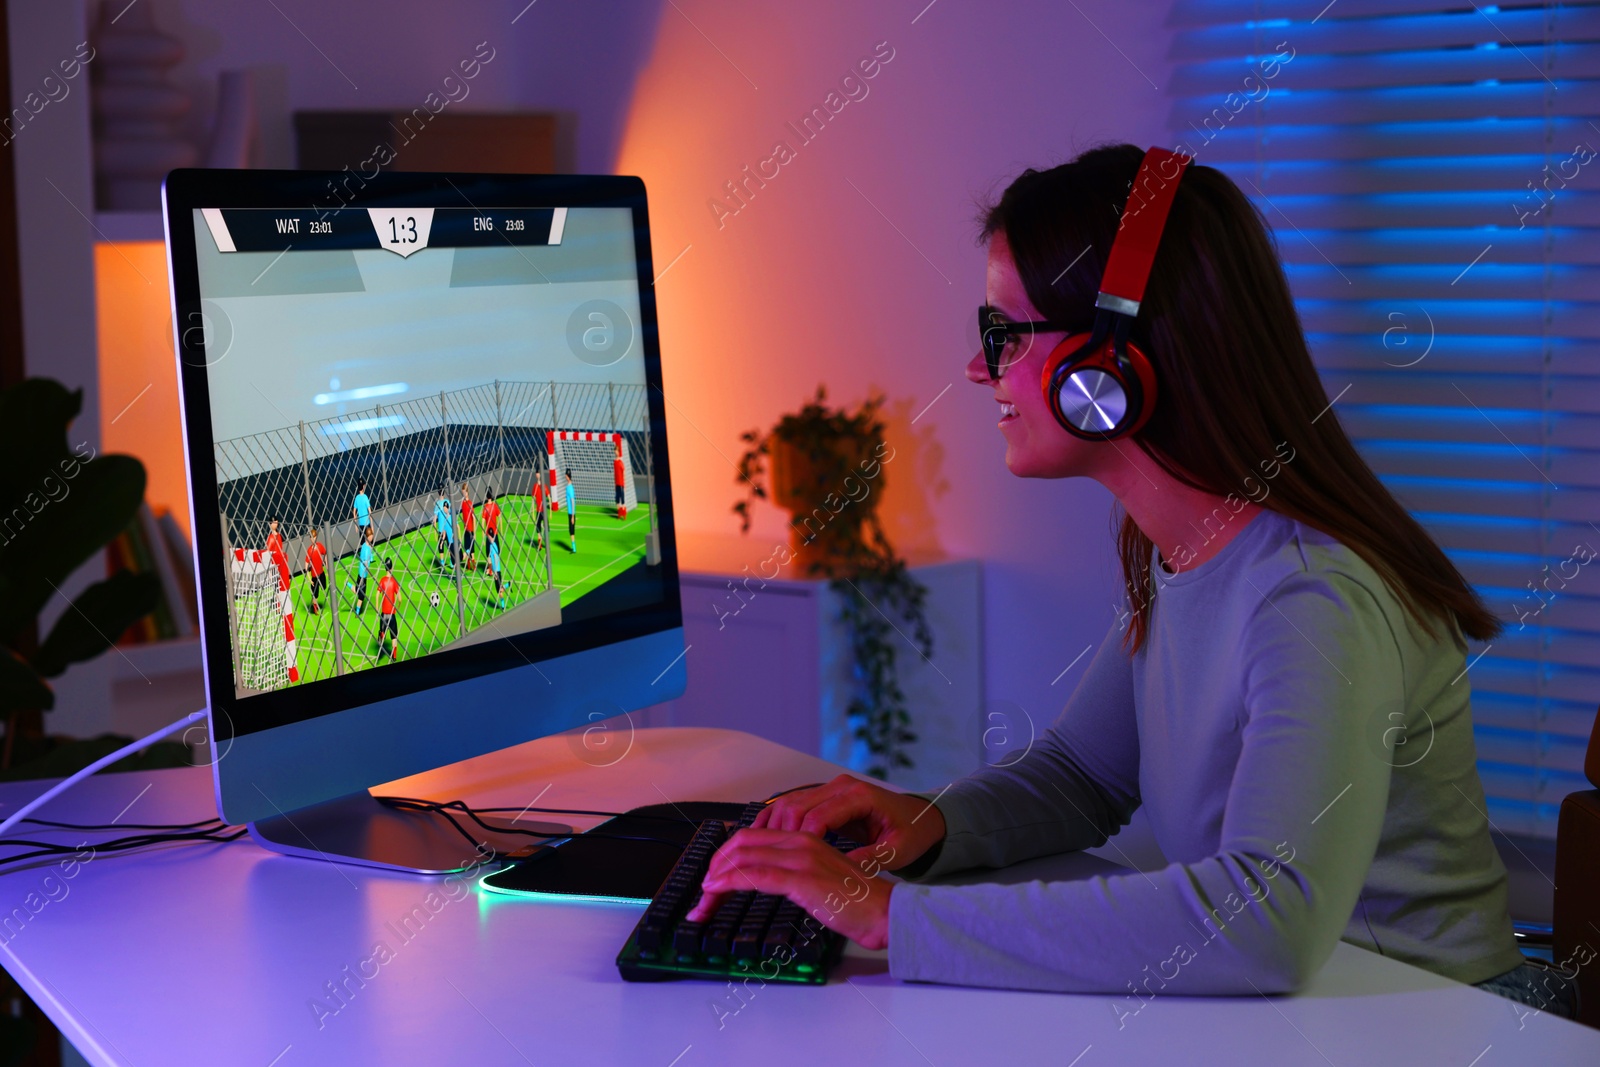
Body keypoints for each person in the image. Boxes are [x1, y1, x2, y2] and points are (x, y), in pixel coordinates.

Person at [686, 144, 1575, 1018]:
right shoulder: (1182, 546)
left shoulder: (1314, 597)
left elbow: (1266, 917)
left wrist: (894, 917)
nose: (975, 368)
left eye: (1002, 334)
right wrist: (925, 823)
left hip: (1437, 1026)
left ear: (1107, 367)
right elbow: (1083, 774)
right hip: (1310, 1014)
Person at [376, 557, 400, 662]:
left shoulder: (382, 580)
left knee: (383, 629)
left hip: (384, 614)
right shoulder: (394, 581)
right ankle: (394, 656)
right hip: (392, 614)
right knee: (394, 637)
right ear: (392, 568)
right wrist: (398, 607)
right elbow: (400, 599)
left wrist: (377, 608)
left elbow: (377, 595)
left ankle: (382, 633)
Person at [349, 525, 375, 616]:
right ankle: (357, 612)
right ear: (368, 537)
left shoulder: (364, 545)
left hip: (361, 573)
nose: (372, 537)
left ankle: (347, 584)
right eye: (371, 536)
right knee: (361, 596)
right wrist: (371, 574)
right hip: (363, 575)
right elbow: (366, 563)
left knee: (358, 590)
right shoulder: (367, 549)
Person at [304, 528, 327, 615]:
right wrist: (309, 578)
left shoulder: (320, 546)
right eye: (311, 537)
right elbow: (306, 564)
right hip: (314, 575)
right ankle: (315, 607)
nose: (313, 539)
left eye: (314, 537)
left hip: (321, 572)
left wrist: (326, 565)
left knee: (324, 586)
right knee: (315, 594)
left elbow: (325, 553)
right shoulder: (309, 551)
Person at [433, 493, 455, 571]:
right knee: (450, 545)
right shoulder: (448, 501)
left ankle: (442, 563)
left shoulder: (437, 504)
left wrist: (435, 533)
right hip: (448, 528)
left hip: (441, 530)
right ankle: (451, 562)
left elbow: (434, 520)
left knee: (441, 546)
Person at [460, 482, 477, 571]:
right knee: (467, 547)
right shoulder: (463, 503)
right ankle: (469, 565)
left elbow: (473, 518)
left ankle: (473, 566)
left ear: (467, 492)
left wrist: (474, 532)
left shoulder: (470, 503)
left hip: (470, 530)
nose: (463, 494)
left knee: (470, 549)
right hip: (466, 529)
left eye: (464, 492)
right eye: (462, 492)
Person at [487, 535, 505, 610]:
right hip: (496, 570)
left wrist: (495, 571)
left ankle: (507, 585)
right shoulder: (492, 545)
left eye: (490, 537)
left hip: (496, 570)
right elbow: (491, 558)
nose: (489, 538)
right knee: (499, 590)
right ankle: (503, 605)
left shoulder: (493, 545)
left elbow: (495, 557)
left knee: (499, 590)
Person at [532, 470, 547, 551]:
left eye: (538, 473)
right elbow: (533, 498)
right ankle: (540, 545)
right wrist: (533, 511)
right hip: (538, 510)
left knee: (545, 528)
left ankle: (545, 542)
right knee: (538, 529)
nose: (537, 474)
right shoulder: (535, 486)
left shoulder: (544, 486)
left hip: (543, 511)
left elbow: (548, 496)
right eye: (536, 473)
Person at [613, 440, 627, 518]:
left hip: (621, 483)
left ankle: (624, 512)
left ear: (618, 451)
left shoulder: (620, 462)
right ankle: (619, 512)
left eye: (616, 451)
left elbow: (623, 472)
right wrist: (614, 483)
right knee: (617, 498)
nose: (615, 452)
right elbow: (614, 473)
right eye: (615, 451)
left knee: (622, 498)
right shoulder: (614, 462)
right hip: (617, 483)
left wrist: (625, 483)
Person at [564, 467, 577, 552]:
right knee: (570, 530)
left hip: (571, 513)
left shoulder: (570, 488)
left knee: (571, 530)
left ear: (567, 476)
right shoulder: (569, 487)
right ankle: (573, 546)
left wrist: (572, 515)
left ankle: (574, 547)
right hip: (570, 512)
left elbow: (572, 501)